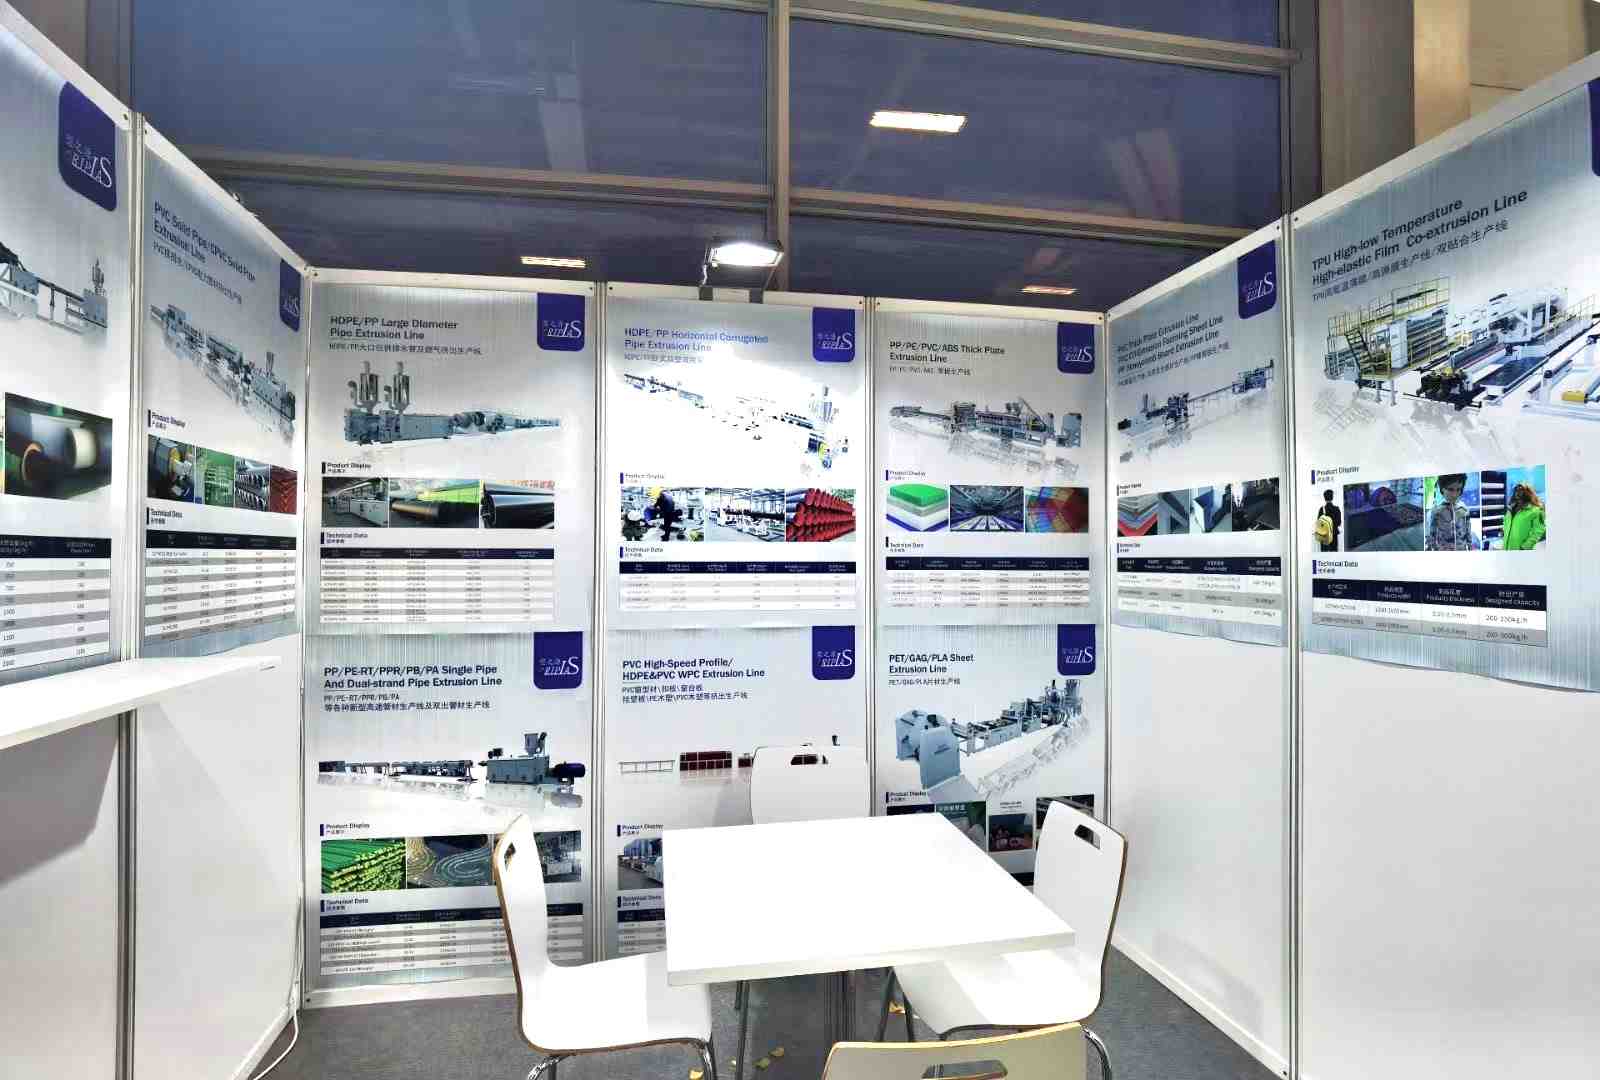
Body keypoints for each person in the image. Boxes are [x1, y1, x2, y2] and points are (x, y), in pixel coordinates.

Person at [1425, 473, 1474, 550]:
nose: (1455, 495)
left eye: (1458, 489)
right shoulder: (1436, 511)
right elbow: (1431, 534)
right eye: (1450, 489)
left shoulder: (1464, 509)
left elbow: (1468, 531)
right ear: (1442, 489)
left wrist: (1470, 547)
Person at [1502, 482, 1546, 550]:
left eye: (1521, 490)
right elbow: (1505, 522)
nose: (1517, 492)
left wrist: (1525, 546)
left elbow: (1538, 530)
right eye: (1516, 490)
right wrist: (1504, 532)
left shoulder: (1535, 510)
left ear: (1528, 493)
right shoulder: (1510, 509)